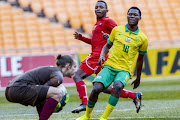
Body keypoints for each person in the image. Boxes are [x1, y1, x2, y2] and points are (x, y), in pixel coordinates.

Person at [77, 6, 148, 120]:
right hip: (109, 66)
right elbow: (107, 45)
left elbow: (140, 59)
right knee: (96, 88)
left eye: (135, 15)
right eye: (130, 14)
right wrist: (102, 55)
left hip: (124, 70)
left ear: (140, 17)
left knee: (118, 86)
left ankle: (104, 117)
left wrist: (138, 77)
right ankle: (87, 116)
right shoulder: (117, 30)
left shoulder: (142, 38)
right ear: (127, 15)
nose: (132, 16)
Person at [5, 54, 77, 120]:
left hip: (10, 90)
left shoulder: (54, 71)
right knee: (57, 93)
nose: (76, 70)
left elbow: (41, 94)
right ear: (68, 66)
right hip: (18, 88)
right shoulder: (58, 76)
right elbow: (44, 95)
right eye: (74, 66)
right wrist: (55, 103)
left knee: (49, 94)